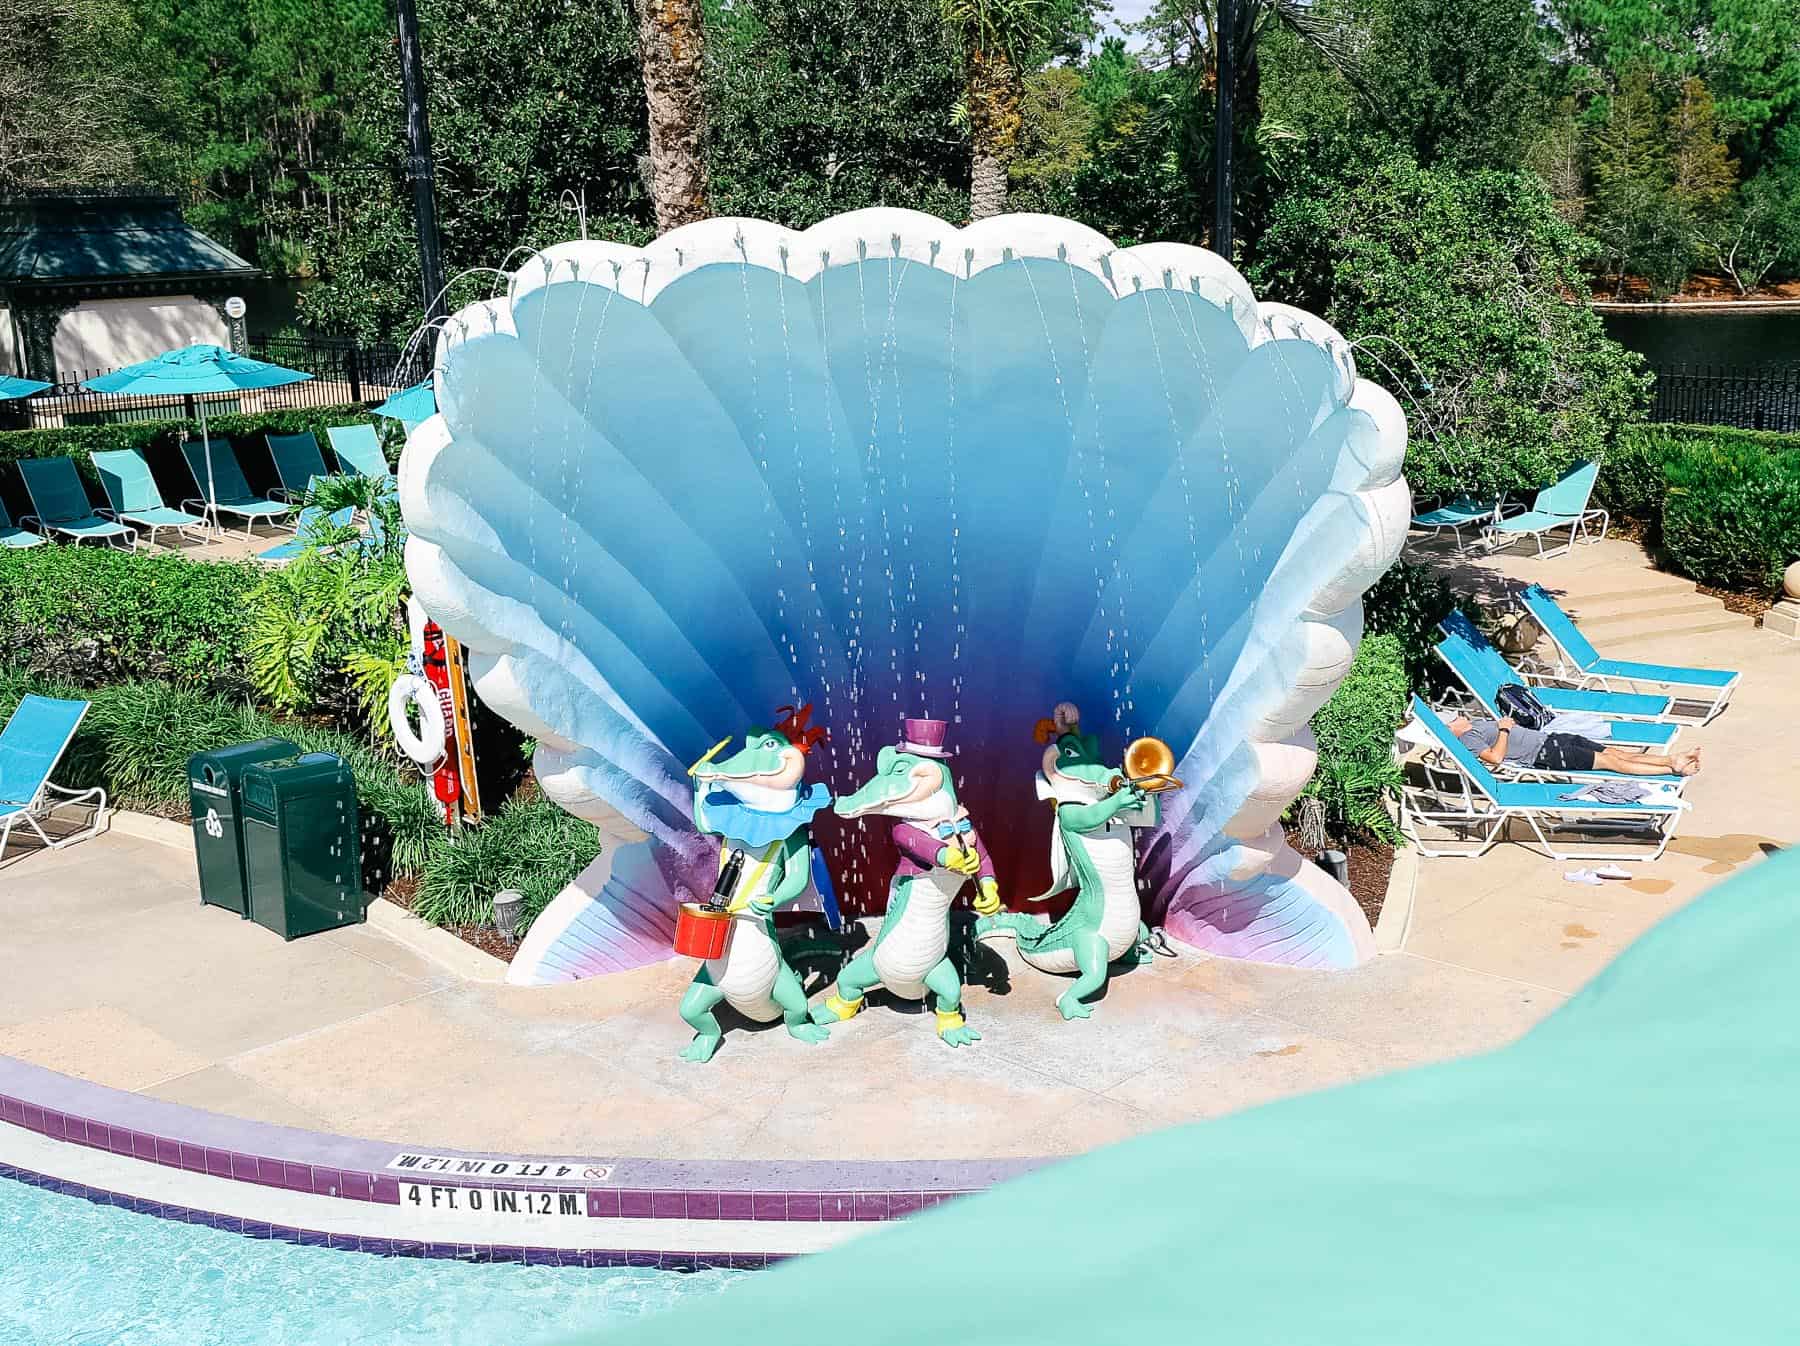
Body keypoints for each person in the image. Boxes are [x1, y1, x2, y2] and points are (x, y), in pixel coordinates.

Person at [1445, 713, 1700, 777]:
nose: (1458, 714)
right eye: (1453, 717)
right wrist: (1503, 729)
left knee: (1616, 753)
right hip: (1547, 753)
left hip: (1554, 738)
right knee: (1613, 763)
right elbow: (1495, 758)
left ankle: (1672, 759)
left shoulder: (1474, 724)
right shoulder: (1468, 739)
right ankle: (1672, 769)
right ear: (1450, 727)